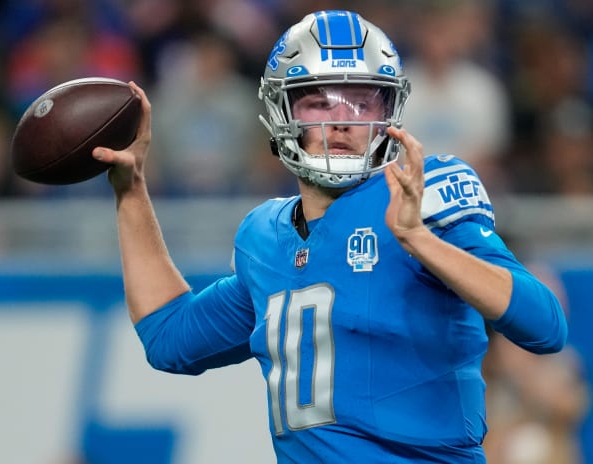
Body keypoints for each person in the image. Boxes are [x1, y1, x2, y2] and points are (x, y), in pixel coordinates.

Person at [93, 10, 567, 463]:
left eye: (362, 102)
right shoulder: (265, 237)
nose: (340, 119)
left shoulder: (425, 194)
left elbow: (545, 325)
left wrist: (421, 240)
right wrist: (131, 190)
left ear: (389, 114)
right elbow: (170, 337)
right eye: (318, 100)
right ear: (282, 109)